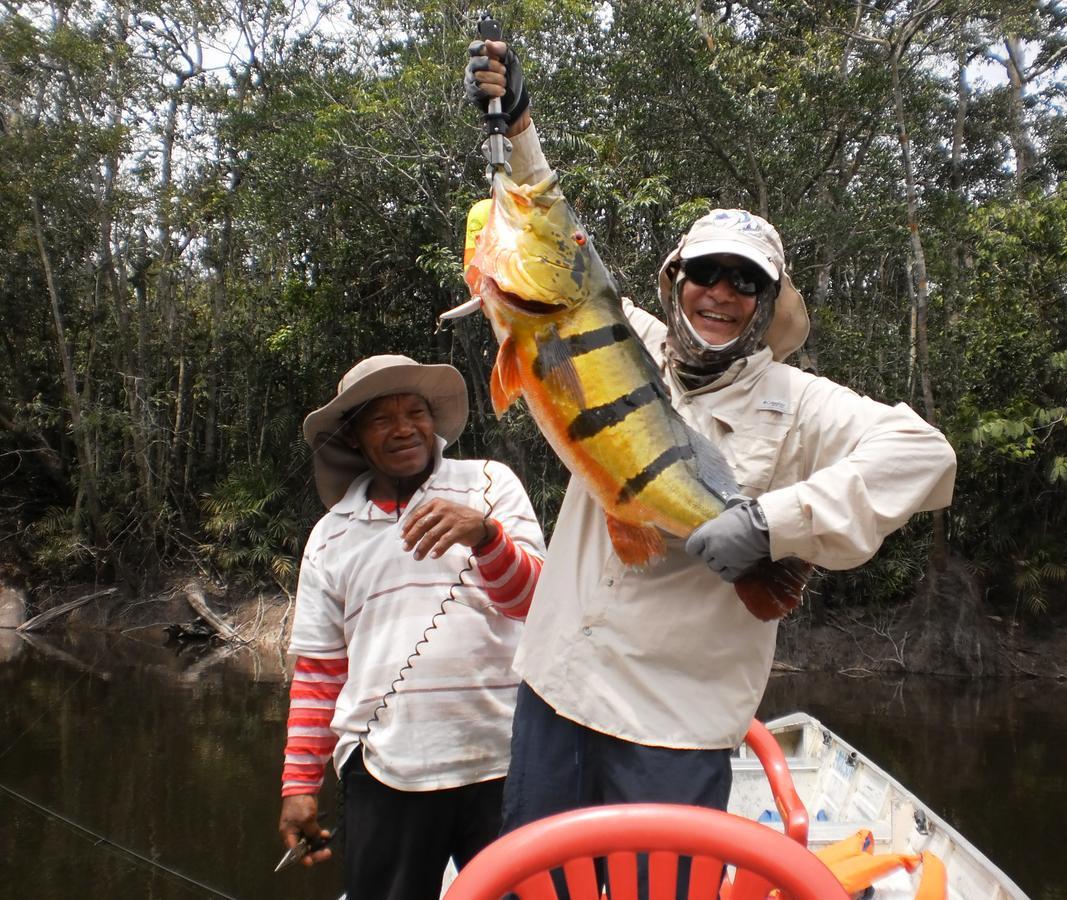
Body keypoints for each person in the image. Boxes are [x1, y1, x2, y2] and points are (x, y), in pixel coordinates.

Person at [464, 42, 958, 835]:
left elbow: (927, 456)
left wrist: (770, 525)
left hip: (674, 724)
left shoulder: (800, 404)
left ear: (766, 304)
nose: (720, 294)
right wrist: (519, 129)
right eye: (706, 273)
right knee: (536, 884)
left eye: (745, 281)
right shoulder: (622, 341)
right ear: (674, 281)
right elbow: (559, 251)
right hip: (556, 689)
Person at [276, 354, 546, 900]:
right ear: (354, 437)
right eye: (381, 418)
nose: (404, 428)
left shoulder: (491, 483)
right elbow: (320, 673)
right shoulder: (331, 534)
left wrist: (486, 536)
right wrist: (299, 787)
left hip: (506, 760)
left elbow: (536, 604)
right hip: (384, 768)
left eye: (415, 411)